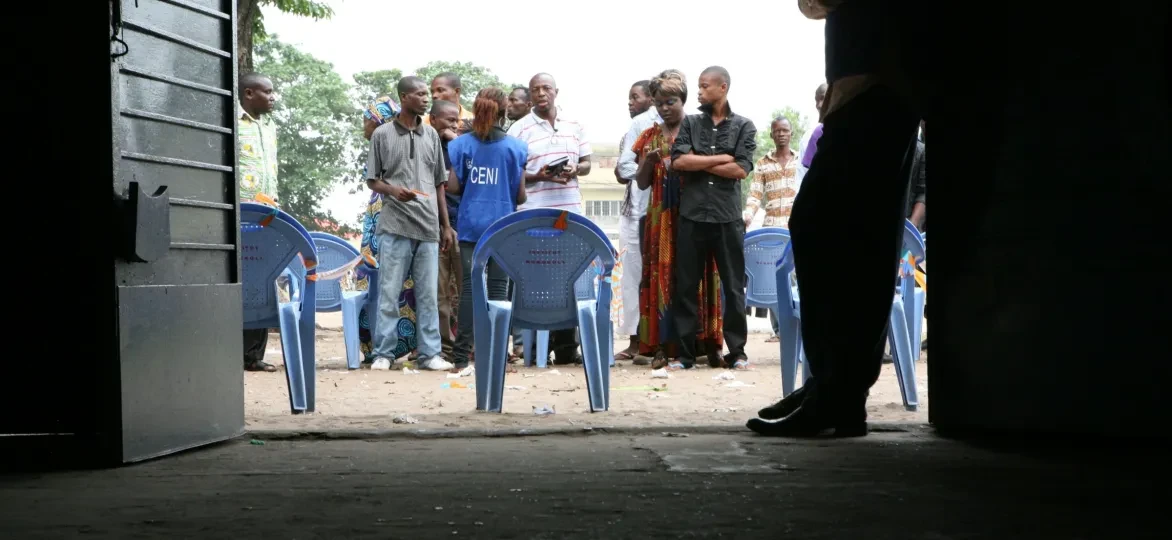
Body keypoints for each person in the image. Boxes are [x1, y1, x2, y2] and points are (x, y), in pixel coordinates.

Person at [749, 0, 927, 436]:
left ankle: (838, 393)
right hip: (868, 87)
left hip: (876, 88)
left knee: (833, 232)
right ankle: (833, 389)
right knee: (842, 234)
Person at [632, 71, 724, 370]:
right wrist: (649, 160)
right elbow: (642, 183)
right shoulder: (649, 137)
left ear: (682, 100)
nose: (664, 108)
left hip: (696, 214)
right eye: (659, 103)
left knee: (699, 275)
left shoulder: (699, 130)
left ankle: (706, 344)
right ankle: (663, 345)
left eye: (670, 101)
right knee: (663, 278)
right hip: (661, 219)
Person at [365, 76, 459, 372]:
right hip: (394, 225)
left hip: (428, 226)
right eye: (420, 94)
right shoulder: (381, 135)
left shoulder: (431, 135)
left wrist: (445, 225)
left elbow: (440, 184)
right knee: (389, 293)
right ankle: (383, 353)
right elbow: (372, 180)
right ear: (404, 98)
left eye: (426, 95)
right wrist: (394, 191)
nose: (426, 99)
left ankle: (430, 354)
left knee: (429, 294)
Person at [670, 66, 756, 370]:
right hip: (692, 216)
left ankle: (738, 352)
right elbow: (679, 160)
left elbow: (741, 169)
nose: (700, 92)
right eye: (699, 86)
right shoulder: (691, 123)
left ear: (723, 88)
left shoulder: (744, 126)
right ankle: (685, 355)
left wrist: (699, 162)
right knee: (685, 286)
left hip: (727, 217)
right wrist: (720, 158)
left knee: (733, 287)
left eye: (705, 86)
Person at [507, 72, 592, 365]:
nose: (541, 93)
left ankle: (567, 347)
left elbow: (587, 163)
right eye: (535, 90)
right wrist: (539, 176)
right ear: (530, 96)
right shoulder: (518, 130)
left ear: (557, 91)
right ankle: (530, 348)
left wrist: (574, 170)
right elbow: (514, 175)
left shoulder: (575, 125)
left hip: (568, 213)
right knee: (534, 280)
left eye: (546, 88)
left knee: (569, 279)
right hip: (532, 214)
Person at [446, 88, 528, 371]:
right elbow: (520, 197)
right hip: (503, 226)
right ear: (504, 112)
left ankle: (460, 356)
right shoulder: (516, 148)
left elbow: (453, 187)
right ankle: (495, 354)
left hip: (471, 225)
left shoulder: (460, 145)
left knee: (470, 289)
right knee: (498, 290)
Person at [354, 97, 422, 365]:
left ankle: (390, 346)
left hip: (390, 217)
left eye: (367, 118)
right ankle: (376, 346)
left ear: (378, 120)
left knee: (393, 281)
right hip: (377, 217)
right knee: (374, 280)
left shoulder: (391, 145)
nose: (364, 124)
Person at [743, 117, 803, 343]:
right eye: (777, 131)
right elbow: (755, 194)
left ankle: (796, 325)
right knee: (773, 279)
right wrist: (748, 215)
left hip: (795, 228)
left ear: (791, 133)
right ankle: (780, 330)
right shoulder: (763, 163)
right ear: (771, 135)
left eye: (785, 130)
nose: (781, 134)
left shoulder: (800, 162)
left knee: (796, 278)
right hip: (772, 228)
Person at [238, 72, 280, 373]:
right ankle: (233, 352)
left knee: (262, 283)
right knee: (240, 282)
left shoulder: (269, 126)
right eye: (267, 92)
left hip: (267, 216)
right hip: (240, 216)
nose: (273, 97)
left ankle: (253, 355)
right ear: (249, 94)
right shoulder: (231, 122)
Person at [613, 80, 654, 363]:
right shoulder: (634, 130)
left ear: (651, 98)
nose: (630, 102)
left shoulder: (654, 125)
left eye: (635, 97)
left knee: (655, 276)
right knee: (632, 276)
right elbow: (621, 170)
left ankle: (655, 341)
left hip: (658, 208)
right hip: (634, 208)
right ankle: (635, 341)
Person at [429, 100, 465, 363]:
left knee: (466, 289)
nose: (454, 125)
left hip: (464, 227)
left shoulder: (464, 147)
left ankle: (466, 344)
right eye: (448, 120)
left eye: (457, 121)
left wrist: (456, 140)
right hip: (436, 228)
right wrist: (443, 226)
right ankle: (445, 346)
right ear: (433, 120)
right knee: (439, 290)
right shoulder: (427, 146)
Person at [796, 83, 828, 182]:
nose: (818, 105)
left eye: (823, 98)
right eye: (816, 100)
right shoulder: (815, 134)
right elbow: (806, 175)